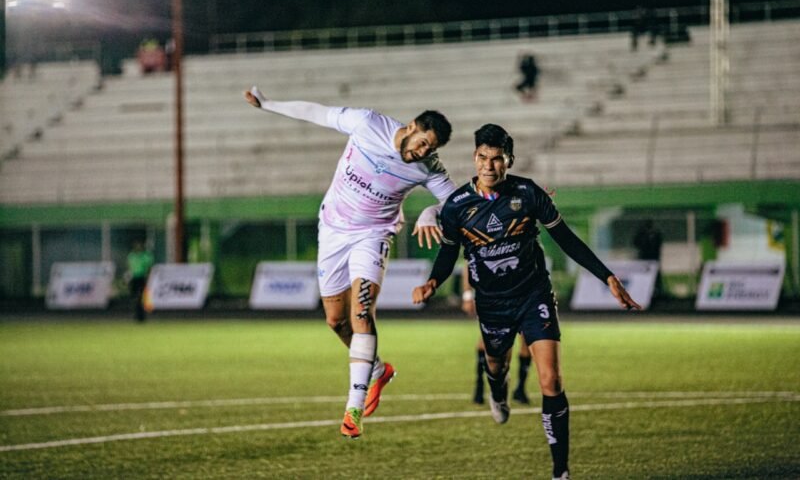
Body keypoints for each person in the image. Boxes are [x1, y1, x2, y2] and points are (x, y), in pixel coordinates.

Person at [412, 124, 641, 480]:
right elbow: (448, 254)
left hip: (534, 294)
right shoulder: (457, 206)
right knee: (496, 366)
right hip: (492, 304)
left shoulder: (528, 193)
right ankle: (497, 391)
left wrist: (607, 276)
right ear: (474, 158)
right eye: (483, 157)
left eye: (497, 159)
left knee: (551, 380)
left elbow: (566, 238)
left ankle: (561, 471)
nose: (489, 166)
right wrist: (432, 282)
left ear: (509, 160)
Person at [244, 86, 457, 439]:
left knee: (361, 314)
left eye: (429, 150)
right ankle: (376, 370)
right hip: (332, 230)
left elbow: (457, 202)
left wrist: (432, 212)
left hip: (372, 236)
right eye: (422, 143)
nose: (422, 152)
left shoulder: (428, 167)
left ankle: (353, 410)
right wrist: (268, 104)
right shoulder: (367, 124)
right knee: (334, 320)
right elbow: (317, 111)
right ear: (412, 126)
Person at [461, 265, 532, 405]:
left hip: (523, 296)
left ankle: (520, 388)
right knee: (486, 341)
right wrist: (467, 296)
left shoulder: (527, 243)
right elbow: (469, 263)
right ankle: (480, 387)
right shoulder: (482, 244)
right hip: (494, 297)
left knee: (527, 340)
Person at [633, 219, 664, 298]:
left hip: (653, 259)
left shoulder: (656, 234)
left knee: (656, 276)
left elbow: (658, 244)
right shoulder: (641, 234)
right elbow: (636, 243)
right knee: (643, 276)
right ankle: (643, 291)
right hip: (644, 259)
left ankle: (658, 292)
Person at [127, 240, 154, 323]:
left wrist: (148, 277)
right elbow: (129, 267)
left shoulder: (146, 256)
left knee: (141, 298)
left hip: (142, 278)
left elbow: (149, 268)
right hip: (134, 278)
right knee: (135, 297)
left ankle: (141, 316)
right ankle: (136, 315)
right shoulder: (131, 256)